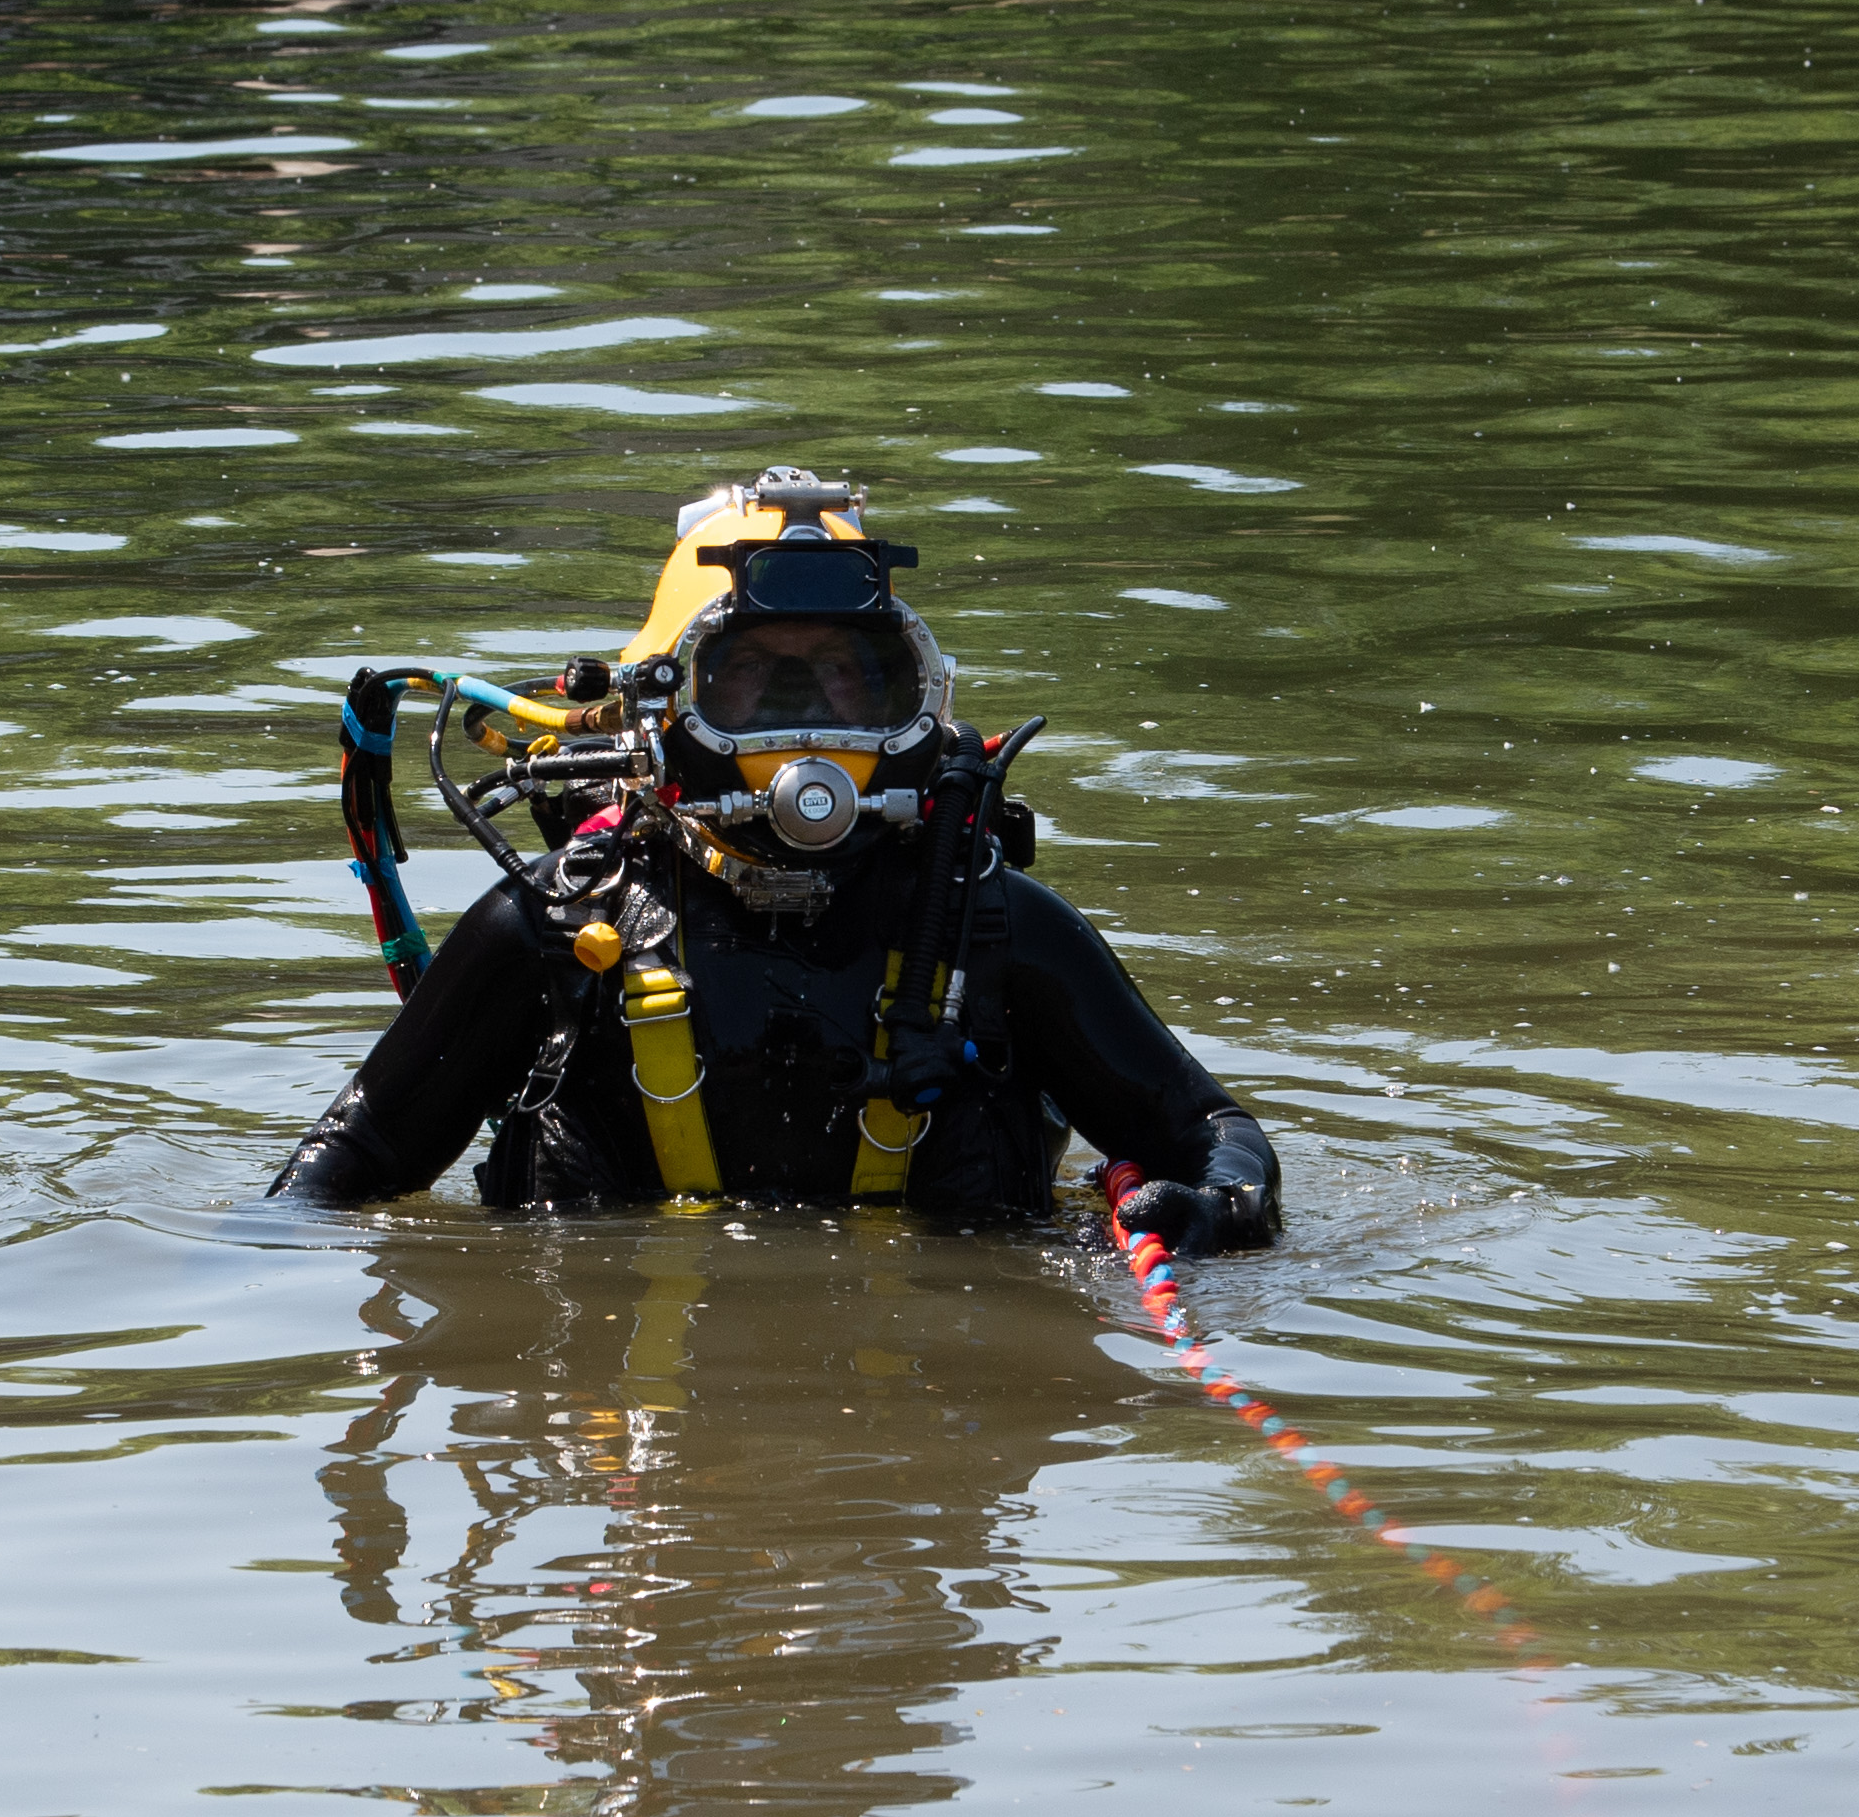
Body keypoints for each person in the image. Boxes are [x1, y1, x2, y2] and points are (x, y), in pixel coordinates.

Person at [275, 465, 1279, 1244]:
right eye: (750, 674)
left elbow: (1212, 1135)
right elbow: (347, 1165)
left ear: (908, 694)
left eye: (841, 674)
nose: (801, 717)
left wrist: (1214, 1215)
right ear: (661, 704)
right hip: (648, 1462)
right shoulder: (558, 927)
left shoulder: (994, 931)